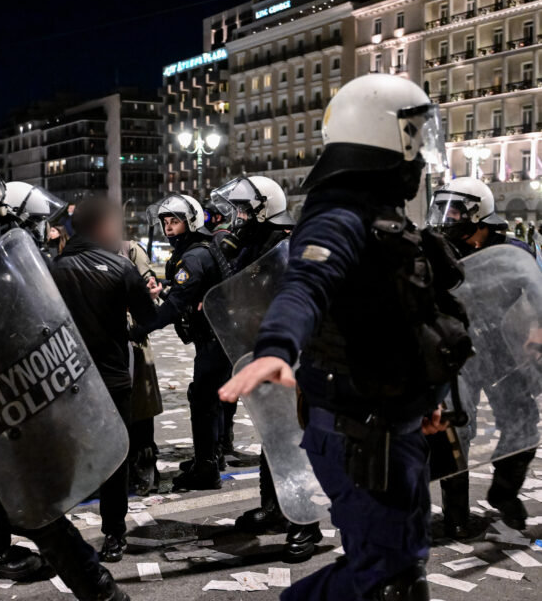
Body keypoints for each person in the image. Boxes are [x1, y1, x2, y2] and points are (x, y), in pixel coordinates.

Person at [220, 74, 472, 601]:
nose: (422, 156)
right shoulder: (337, 216)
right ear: (386, 140)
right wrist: (275, 349)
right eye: (414, 138)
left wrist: (426, 400)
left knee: (404, 562)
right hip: (357, 431)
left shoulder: (387, 218)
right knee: (387, 579)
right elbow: (305, 286)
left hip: (398, 422)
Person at [0, 159, 130, 601]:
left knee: (35, 507)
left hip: (21, 393)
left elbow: (34, 321)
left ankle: (100, 590)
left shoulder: (24, 256)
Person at [211, 174, 321, 560]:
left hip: (293, 356)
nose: (236, 217)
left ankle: (306, 524)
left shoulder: (286, 244)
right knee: (271, 435)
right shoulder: (254, 241)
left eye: (242, 210)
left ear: (263, 209)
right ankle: (276, 509)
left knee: (292, 439)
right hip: (259, 350)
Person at [427, 176, 540, 534]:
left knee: (523, 421)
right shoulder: (433, 255)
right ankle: (457, 516)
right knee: (456, 431)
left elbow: (536, 292)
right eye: (443, 209)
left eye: (455, 211)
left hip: (502, 349)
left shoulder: (513, 253)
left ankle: (504, 493)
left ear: (479, 216)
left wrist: (538, 330)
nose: (447, 219)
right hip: (456, 352)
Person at [50, 197, 158, 563]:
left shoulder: (54, 268)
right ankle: (114, 534)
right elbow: (148, 318)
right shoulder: (120, 266)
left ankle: (61, 538)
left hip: (68, 378)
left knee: (69, 457)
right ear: (101, 227)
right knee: (115, 459)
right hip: (112, 377)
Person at [132, 194, 232, 491]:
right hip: (216, 337)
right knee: (207, 399)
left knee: (202, 399)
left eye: (174, 221)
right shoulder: (201, 249)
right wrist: (163, 289)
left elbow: (176, 306)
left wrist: (140, 328)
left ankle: (206, 469)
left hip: (213, 339)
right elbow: (186, 294)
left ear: (191, 221)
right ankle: (209, 458)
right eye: (164, 222)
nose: (168, 227)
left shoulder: (193, 256)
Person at [119, 238, 163, 496]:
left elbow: (149, 285)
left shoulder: (129, 249)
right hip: (99, 338)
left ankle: (145, 463)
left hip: (132, 335)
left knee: (142, 406)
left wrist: (147, 295)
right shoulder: (78, 255)